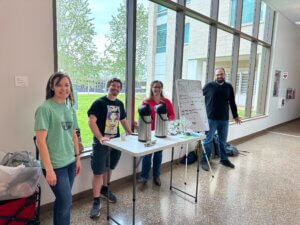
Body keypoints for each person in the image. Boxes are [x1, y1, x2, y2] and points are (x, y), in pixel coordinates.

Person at [34, 72, 81, 225]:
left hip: (70, 162)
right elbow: (40, 142)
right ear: (52, 87)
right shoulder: (45, 108)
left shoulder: (70, 108)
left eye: (66, 85)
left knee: (63, 202)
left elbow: (73, 135)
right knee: (66, 202)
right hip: (55, 165)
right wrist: (49, 169)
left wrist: (78, 158)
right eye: (59, 85)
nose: (63, 88)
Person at [88, 78, 132, 218]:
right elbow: (91, 122)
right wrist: (100, 137)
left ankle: (105, 189)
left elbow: (123, 120)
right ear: (108, 86)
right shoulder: (99, 103)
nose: (116, 88)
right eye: (113, 85)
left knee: (109, 168)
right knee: (98, 172)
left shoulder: (119, 103)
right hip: (102, 144)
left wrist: (131, 133)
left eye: (118, 86)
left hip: (116, 142)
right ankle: (96, 201)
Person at [201, 67, 241, 171]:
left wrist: (235, 115)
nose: (220, 76)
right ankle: (205, 160)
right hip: (210, 119)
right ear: (215, 75)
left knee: (223, 141)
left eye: (221, 74)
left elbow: (232, 102)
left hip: (224, 119)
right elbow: (199, 98)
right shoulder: (209, 86)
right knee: (207, 140)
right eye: (218, 74)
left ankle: (224, 159)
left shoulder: (228, 87)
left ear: (224, 75)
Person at [138, 80, 175, 186]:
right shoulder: (146, 102)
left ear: (161, 88)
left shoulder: (166, 102)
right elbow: (141, 115)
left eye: (159, 87)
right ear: (151, 88)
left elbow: (172, 115)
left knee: (158, 154)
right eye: (155, 87)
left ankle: (156, 176)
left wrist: (166, 119)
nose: (157, 89)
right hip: (148, 133)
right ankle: (144, 177)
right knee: (147, 155)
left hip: (161, 132)